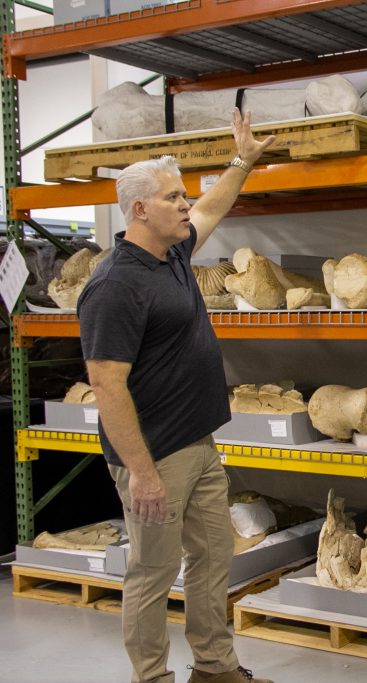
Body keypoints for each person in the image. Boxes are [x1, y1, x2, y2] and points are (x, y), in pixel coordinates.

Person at [77, 109, 276, 683]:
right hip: (154, 457)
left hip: (199, 445)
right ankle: (152, 677)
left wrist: (242, 160)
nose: (186, 205)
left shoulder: (175, 254)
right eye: (173, 197)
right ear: (139, 210)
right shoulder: (114, 285)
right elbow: (107, 384)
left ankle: (215, 668)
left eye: (183, 195)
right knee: (153, 571)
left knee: (213, 559)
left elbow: (215, 205)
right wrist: (140, 472)